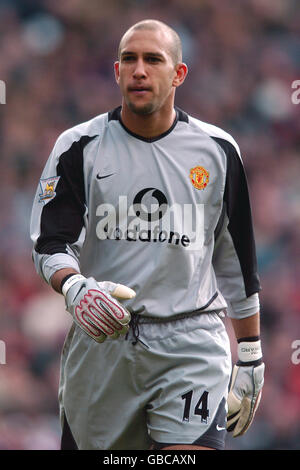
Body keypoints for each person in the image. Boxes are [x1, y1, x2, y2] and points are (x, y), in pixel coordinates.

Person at [30, 19, 265, 451]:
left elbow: (237, 264)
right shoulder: (78, 146)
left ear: (178, 74)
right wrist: (76, 288)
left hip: (190, 340)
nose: (140, 70)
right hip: (103, 339)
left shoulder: (217, 150)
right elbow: (50, 245)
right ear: (116, 72)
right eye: (129, 60)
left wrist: (250, 354)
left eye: (153, 59)